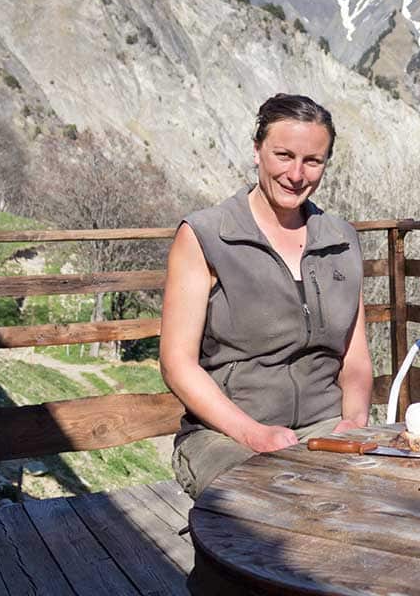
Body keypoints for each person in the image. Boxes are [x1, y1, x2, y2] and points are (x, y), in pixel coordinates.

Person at [160, 94, 373, 498]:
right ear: (257, 150)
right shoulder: (206, 235)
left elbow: (355, 356)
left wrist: (355, 420)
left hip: (325, 427)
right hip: (226, 436)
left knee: (382, 494)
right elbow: (176, 364)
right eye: (283, 155)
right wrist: (253, 434)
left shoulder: (341, 239)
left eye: (313, 161)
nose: (297, 173)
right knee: (271, 501)